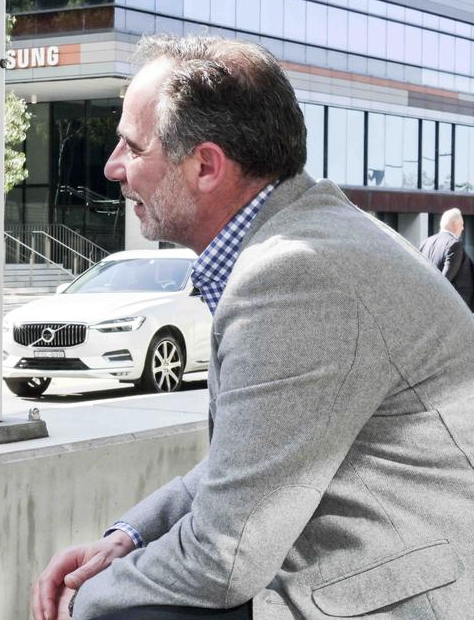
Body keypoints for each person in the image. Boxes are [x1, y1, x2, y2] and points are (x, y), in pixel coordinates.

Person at [31, 35, 474, 620]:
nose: (113, 166)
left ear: (206, 166)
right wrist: (128, 538)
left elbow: (222, 557)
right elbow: (246, 465)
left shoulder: (297, 273)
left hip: (410, 591)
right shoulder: (306, 236)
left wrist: (86, 598)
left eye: (132, 147)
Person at [419, 208, 474, 310]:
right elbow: (444, 281)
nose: (462, 228)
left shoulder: (425, 243)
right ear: (454, 225)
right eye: (461, 224)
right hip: (453, 308)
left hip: (429, 304)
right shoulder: (454, 244)